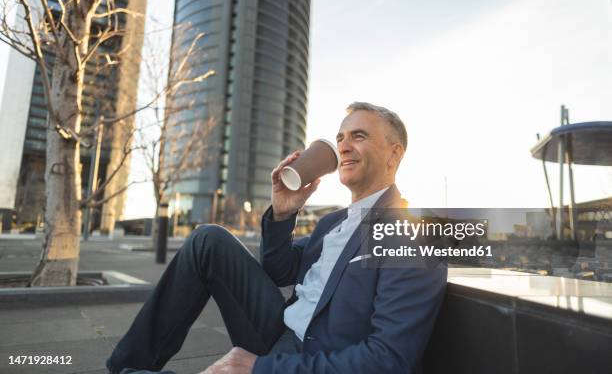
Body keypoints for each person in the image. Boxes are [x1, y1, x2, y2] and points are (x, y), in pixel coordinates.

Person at [106, 102, 448, 374]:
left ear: (394, 154)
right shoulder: (332, 223)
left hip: (314, 356)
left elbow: (387, 359)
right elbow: (278, 270)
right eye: (340, 138)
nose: (344, 147)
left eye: (358, 136)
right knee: (208, 239)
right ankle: (126, 366)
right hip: (276, 329)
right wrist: (283, 213)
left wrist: (262, 367)